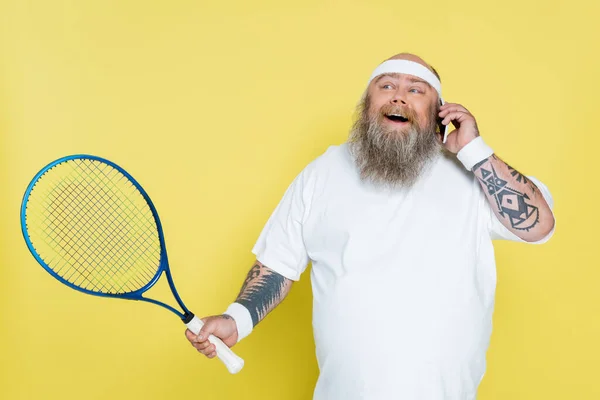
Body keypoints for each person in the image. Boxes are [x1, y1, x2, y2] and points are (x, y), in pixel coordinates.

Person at [185, 52, 556, 399]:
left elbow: (538, 226)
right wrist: (237, 321)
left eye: (416, 89)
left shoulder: (472, 175)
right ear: (367, 105)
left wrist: (474, 151)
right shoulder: (321, 174)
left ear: (439, 112)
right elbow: (278, 263)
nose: (399, 98)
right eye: (387, 86)